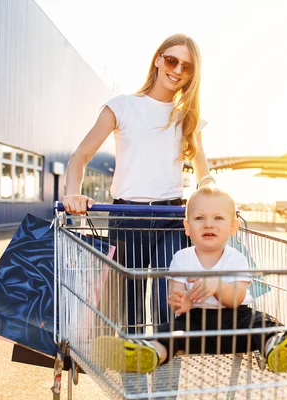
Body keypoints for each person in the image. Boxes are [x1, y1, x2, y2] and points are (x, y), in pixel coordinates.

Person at [61, 34, 214, 332]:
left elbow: (202, 171)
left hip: (171, 218)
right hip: (128, 218)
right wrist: (73, 194)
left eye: (187, 66)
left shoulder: (187, 117)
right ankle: (132, 376)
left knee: (166, 307)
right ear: (158, 59)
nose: (177, 70)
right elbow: (80, 156)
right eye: (172, 60)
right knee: (128, 313)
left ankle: (167, 377)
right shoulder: (122, 106)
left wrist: (211, 189)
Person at [93, 187, 287, 373]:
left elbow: (236, 299)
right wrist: (181, 302)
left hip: (236, 324)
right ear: (187, 227)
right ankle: (148, 353)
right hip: (196, 326)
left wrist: (217, 286)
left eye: (218, 218)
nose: (209, 224)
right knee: (170, 331)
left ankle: (276, 348)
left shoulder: (236, 258)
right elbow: (175, 298)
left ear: (233, 227)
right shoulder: (181, 258)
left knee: (262, 322)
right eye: (199, 218)